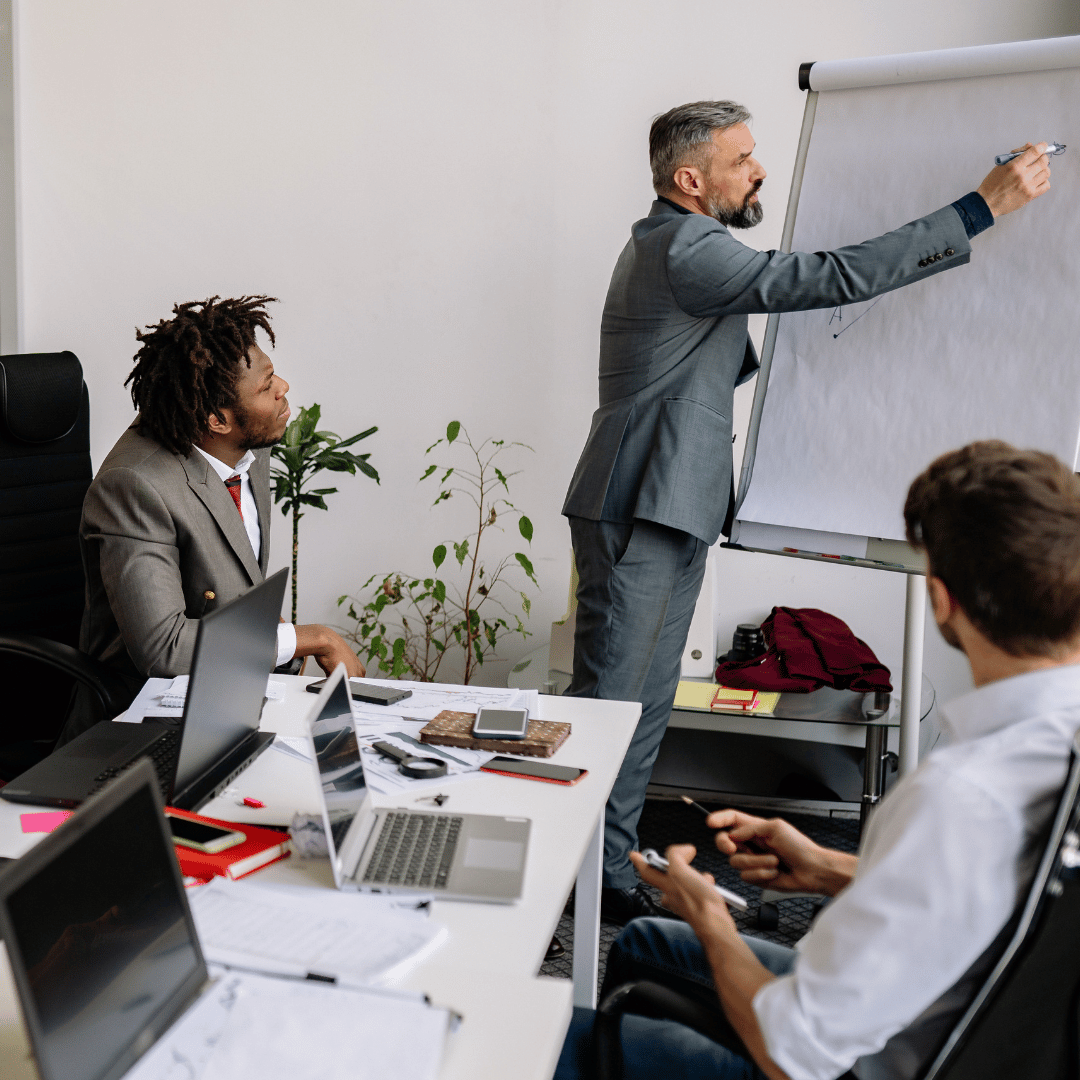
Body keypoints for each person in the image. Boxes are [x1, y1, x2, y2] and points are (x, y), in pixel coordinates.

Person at [561, 98, 1054, 924]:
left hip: (668, 502)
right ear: (691, 180)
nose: (760, 170)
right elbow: (832, 277)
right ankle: (576, 880)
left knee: (640, 705)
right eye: (742, 159)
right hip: (641, 499)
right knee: (614, 703)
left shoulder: (678, 242)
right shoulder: (687, 246)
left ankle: (606, 869)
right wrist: (981, 209)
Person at [556, 440, 1080, 1080]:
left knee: (548, 1036)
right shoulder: (1048, 748)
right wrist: (831, 868)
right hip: (982, 1028)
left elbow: (792, 1052)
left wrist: (711, 916)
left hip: (854, 1060)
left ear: (942, 602)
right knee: (643, 942)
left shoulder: (959, 795)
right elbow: (1006, 905)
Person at [67, 295, 363, 742]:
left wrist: (274, 644)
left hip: (227, 701)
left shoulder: (246, 446)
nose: (283, 386)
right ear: (216, 419)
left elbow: (227, 580)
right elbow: (164, 649)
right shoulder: (134, 486)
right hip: (141, 728)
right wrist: (309, 638)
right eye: (266, 387)